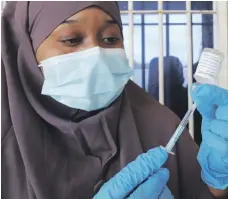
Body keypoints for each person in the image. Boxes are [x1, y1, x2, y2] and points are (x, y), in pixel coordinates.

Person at [1, 2, 227, 199]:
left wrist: (217, 185)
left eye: (111, 38)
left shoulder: (161, 126)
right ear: (26, 49)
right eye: (72, 39)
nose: (97, 54)